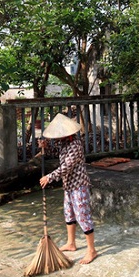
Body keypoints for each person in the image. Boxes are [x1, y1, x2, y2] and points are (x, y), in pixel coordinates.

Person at [39, 113, 98, 265]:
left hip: (79, 185)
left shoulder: (75, 145)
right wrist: (45, 148)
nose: (56, 138)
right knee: (69, 213)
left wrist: (49, 178)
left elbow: (66, 167)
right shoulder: (63, 143)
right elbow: (57, 155)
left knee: (83, 216)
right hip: (68, 185)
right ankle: (71, 243)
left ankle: (92, 250)